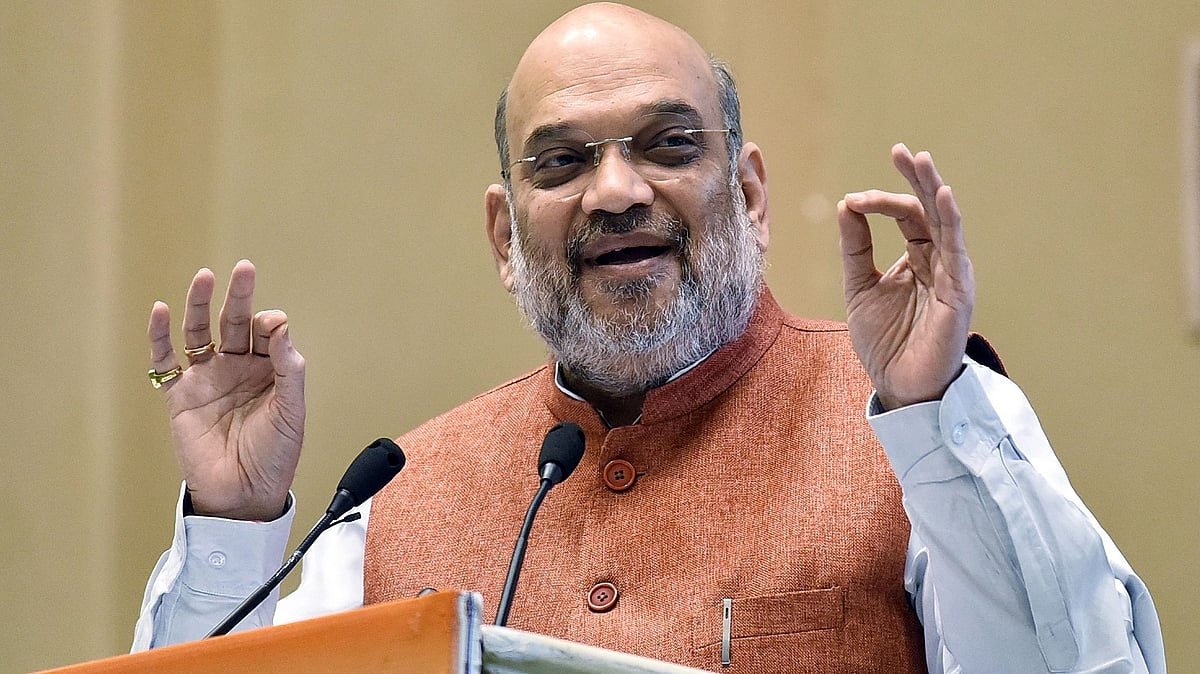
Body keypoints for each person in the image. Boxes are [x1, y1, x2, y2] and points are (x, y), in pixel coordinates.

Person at [133, 3, 1164, 672]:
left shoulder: (915, 425)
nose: (618, 191)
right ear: (505, 231)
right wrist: (231, 521)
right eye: (563, 162)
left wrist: (933, 415)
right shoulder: (394, 491)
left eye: (670, 145)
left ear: (750, 192)